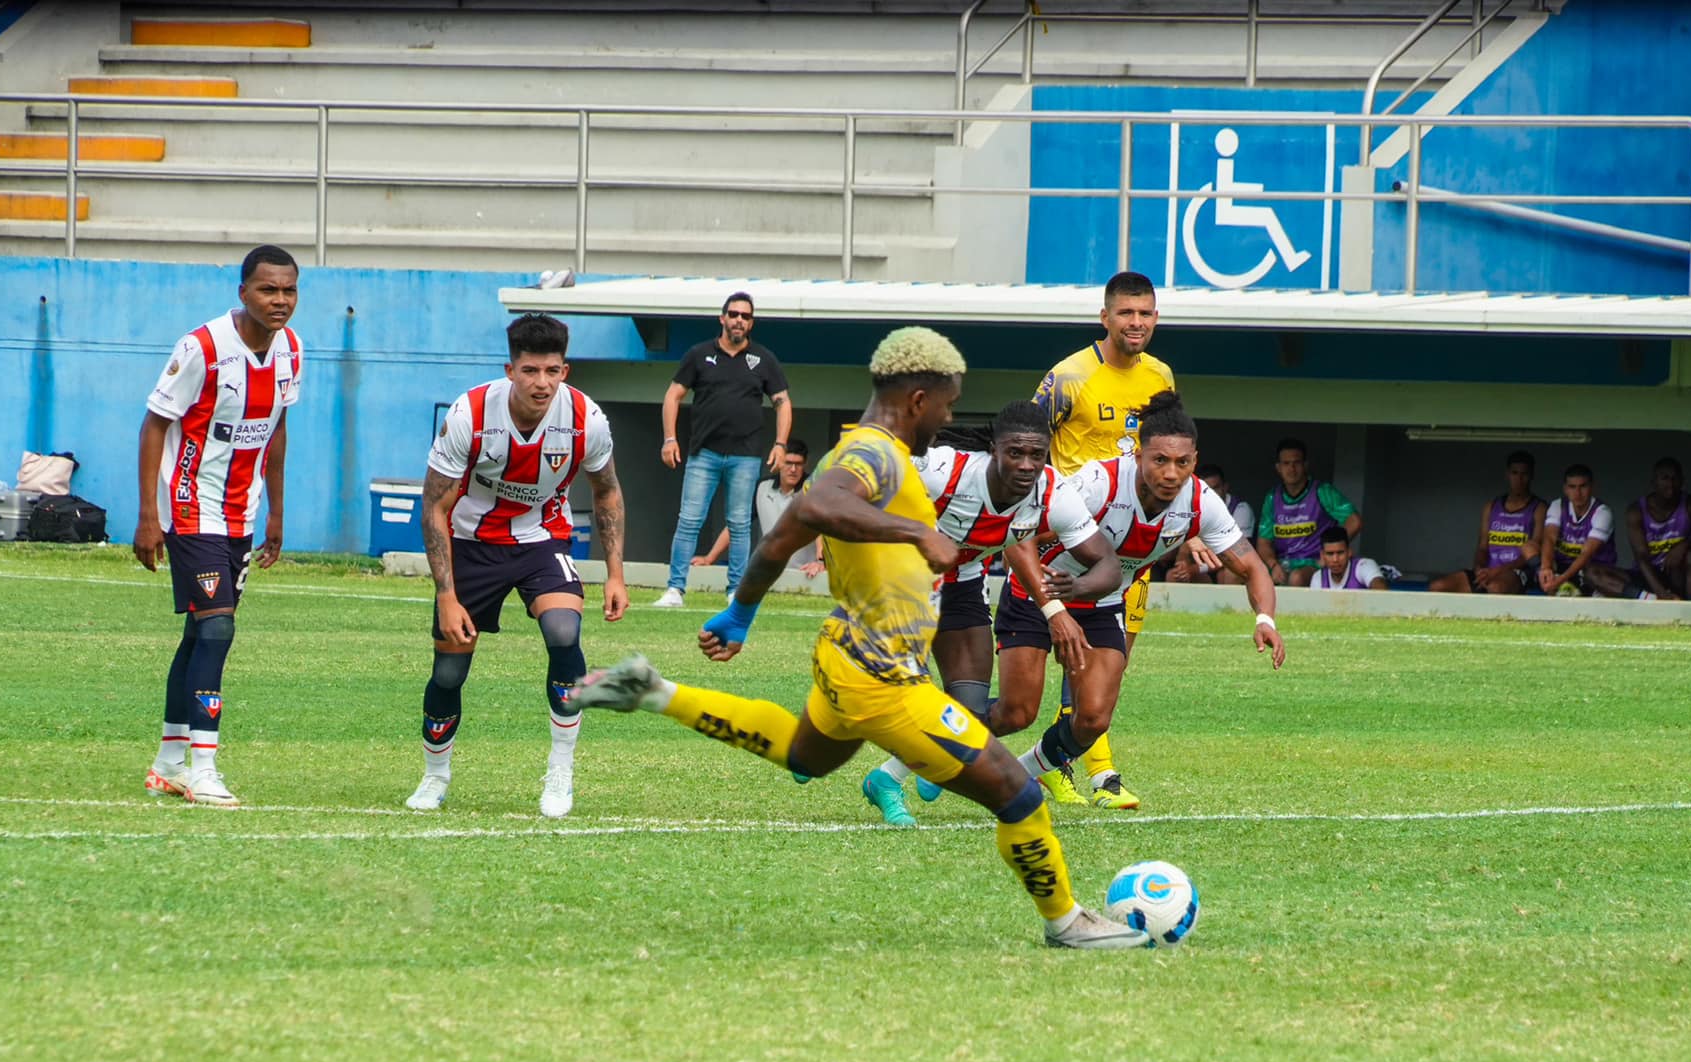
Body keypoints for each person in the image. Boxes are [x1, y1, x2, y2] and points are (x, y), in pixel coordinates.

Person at [564, 327, 1149, 949]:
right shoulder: (876, 454)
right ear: (920, 398)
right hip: (883, 677)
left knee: (804, 753)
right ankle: (1066, 921)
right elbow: (818, 507)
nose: (949, 419)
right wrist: (915, 533)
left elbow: (788, 528)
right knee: (1019, 795)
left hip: (843, 652)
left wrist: (742, 610)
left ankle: (653, 691)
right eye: (948, 405)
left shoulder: (875, 451)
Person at [992, 392, 1286, 804]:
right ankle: (908, 763)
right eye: (1159, 461)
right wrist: (1054, 608)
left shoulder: (1200, 501)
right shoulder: (1098, 485)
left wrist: (1264, 620)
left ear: (1195, 461)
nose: (1170, 473)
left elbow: (1253, 566)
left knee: (1092, 719)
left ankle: (1020, 774)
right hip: (1037, 593)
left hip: (1101, 603)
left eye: (1182, 463)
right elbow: (1017, 538)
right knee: (1016, 713)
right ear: (1138, 457)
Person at [406, 313, 628, 818]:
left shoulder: (586, 420)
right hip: (470, 543)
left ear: (565, 371)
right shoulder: (471, 414)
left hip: (542, 539)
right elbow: (434, 506)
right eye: (530, 370)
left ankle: (560, 771)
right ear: (510, 369)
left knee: (564, 633)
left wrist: (614, 573)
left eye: (552, 370)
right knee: (448, 671)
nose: (541, 383)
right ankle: (435, 775)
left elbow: (608, 490)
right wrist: (446, 594)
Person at [859, 401, 1121, 828]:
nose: (1026, 464)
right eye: (1015, 453)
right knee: (893, 694)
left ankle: (886, 780)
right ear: (993, 450)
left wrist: (1072, 592)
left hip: (959, 582)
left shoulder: (1052, 492)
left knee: (967, 712)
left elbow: (1106, 561)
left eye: (1037, 454)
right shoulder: (943, 469)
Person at [136, 245, 302, 808]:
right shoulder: (203, 347)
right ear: (243, 292)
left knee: (199, 634)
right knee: (217, 630)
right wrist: (148, 515)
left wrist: (276, 510)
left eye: (289, 291)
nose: (279, 301)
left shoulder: (291, 351)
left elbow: (276, 430)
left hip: (242, 514)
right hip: (191, 505)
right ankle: (203, 766)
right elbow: (155, 423)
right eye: (267, 290)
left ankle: (167, 763)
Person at [1029, 269, 1177, 809]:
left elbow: (1169, 451)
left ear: (1156, 318)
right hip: (1075, 542)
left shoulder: (1161, 376)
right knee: (1080, 657)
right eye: (1126, 313)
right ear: (1105, 317)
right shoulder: (1068, 377)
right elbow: (1027, 441)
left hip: (1135, 546)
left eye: (1145, 314)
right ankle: (1097, 772)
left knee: (1111, 663)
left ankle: (1073, 764)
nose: (1135, 323)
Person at [654, 291, 792, 608]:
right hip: (703, 454)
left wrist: (781, 444)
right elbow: (672, 395)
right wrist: (669, 438)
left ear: (751, 322)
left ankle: (735, 593)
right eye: (733, 314)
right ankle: (675, 589)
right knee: (689, 520)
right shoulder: (699, 354)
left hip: (745, 456)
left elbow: (783, 402)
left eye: (745, 316)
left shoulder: (764, 359)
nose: (738, 320)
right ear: (722, 318)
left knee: (739, 524)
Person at [694, 436, 823, 578]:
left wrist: (821, 562)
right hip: (767, 572)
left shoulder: (813, 489)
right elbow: (737, 525)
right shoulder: (763, 487)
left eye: (798, 464)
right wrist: (709, 558)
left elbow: (823, 528)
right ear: (779, 461)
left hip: (805, 573)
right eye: (788, 463)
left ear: (805, 464)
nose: (793, 469)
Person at [1429, 450, 1543, 594]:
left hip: (1516, 572)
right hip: (1488, 570)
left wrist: (1498, 571)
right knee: (1438, 586)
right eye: (1514, 473)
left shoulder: (1539, 508)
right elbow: (1482, 547)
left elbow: (1532, 553)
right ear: (1507, 474)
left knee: (1496, 588)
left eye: (1524, 474)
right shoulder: (1491, 506)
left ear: (1531, 476)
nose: (1519, 479)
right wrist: (1479, 568)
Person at [1255, 437, 1361, 588]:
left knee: (1296, 578)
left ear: (1305, 465)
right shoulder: (1272, 497)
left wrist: (1329, 552)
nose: (1291, 469)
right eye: (1286, 464)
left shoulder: (1322, 491)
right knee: (1239, 574)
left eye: (1296, 463)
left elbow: (1354, 521)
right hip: (1281, 563)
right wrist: (1273, 565)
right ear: (1278, 468)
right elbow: (1263, 543)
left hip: (1313, 563)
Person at [1624, 457, 1691, 600]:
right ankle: (1654, 599)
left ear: (1682, 481)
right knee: (1594, 573)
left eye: (1675, 478)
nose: (1670, 484)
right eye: (1664, 478)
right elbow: (1641, 557)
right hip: (1648, 577)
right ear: (1653, 482)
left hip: (1677, 574)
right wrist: (1660, 592)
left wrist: (1684, 546)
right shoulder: (1636, 511)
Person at [1536, 463, 1626, 599]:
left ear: (1592, 487)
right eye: (1572, 487)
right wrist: (1546, 567)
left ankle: (1568, 588)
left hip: (1593, 570)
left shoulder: (1602, 512)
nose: (1577, 493)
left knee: (1592, 573)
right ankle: (1560, 587)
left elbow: (1586, 554)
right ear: (1565, 489)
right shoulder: (1558, 505)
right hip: (1562, 568)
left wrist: (1560, 580)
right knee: (1529, 547)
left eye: (1583, 486)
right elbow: (1549, 538)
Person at [1308, 525, 1385, 589]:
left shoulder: (1364, 565)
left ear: (1349, 552)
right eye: (1330, 554)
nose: (1335, 559)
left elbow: (1380, 588)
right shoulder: (1319, 577)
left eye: (1340, 553)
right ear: (1322, 555)